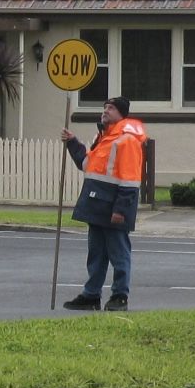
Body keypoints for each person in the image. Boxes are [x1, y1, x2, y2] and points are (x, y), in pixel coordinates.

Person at [60, 97, 148, 312]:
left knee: (119, 253)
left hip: (112, 207)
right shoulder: (104, 138)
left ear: (121, 114)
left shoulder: (126, 140)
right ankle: (91, 295)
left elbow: (130, 179)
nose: (105, 111)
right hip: (97, 203)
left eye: (111, 108)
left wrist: (120, 210)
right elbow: (87, 164)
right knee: (96, 254)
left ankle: (120, 296)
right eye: (105, 107)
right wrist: (73, 143)